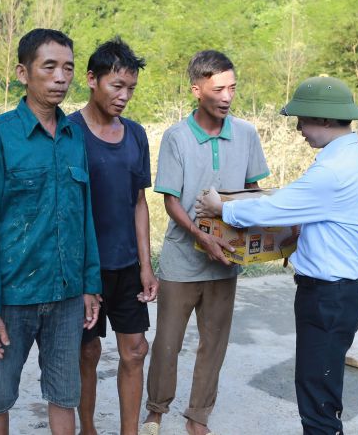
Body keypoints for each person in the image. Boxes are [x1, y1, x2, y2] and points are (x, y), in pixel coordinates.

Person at [196, 76, 358, 435]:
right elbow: (356, 220)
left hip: (325, 297)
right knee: (324, 391)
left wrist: (220, 207)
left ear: (326, 120)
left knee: (316, 400)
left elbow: (273, 209)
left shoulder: (332, 170)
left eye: (303, 120)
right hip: (344, 292)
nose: (299, 129)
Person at [0, 28, 102, 435]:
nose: (61, 77)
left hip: (65, 296)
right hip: (11, 298)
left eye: (68, 68)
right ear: (23, 73)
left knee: (65, 394)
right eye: (50, 67)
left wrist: (90, 284)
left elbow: (85, 215)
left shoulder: (74, 135)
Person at [141, 51, 269, 435]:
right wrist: (200, 236)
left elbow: (253, 190)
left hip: (226, 260)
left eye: (232, 87)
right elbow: (170, 200)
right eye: (218, 89)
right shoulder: (177, 137)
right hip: (183, 258)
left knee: (214, 343)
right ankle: (156, 412)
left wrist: (264, 238)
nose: (227, 96)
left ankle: (198, 416)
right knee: (167, 343)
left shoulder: (246, 133)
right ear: (197, 90)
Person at [68, 38, 158, 435]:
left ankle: (129, 431)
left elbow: (138, 201)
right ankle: (87, 427)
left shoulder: (136, 135)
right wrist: (82, 274)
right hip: (86, 268)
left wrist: (146, 266)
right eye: (116, 86)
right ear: (92, 79)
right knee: (87, 352)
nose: (124, 96)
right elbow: (67, 209)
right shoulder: (69, 132)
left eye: (131, 89)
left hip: (126, 265)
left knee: (135, 351)